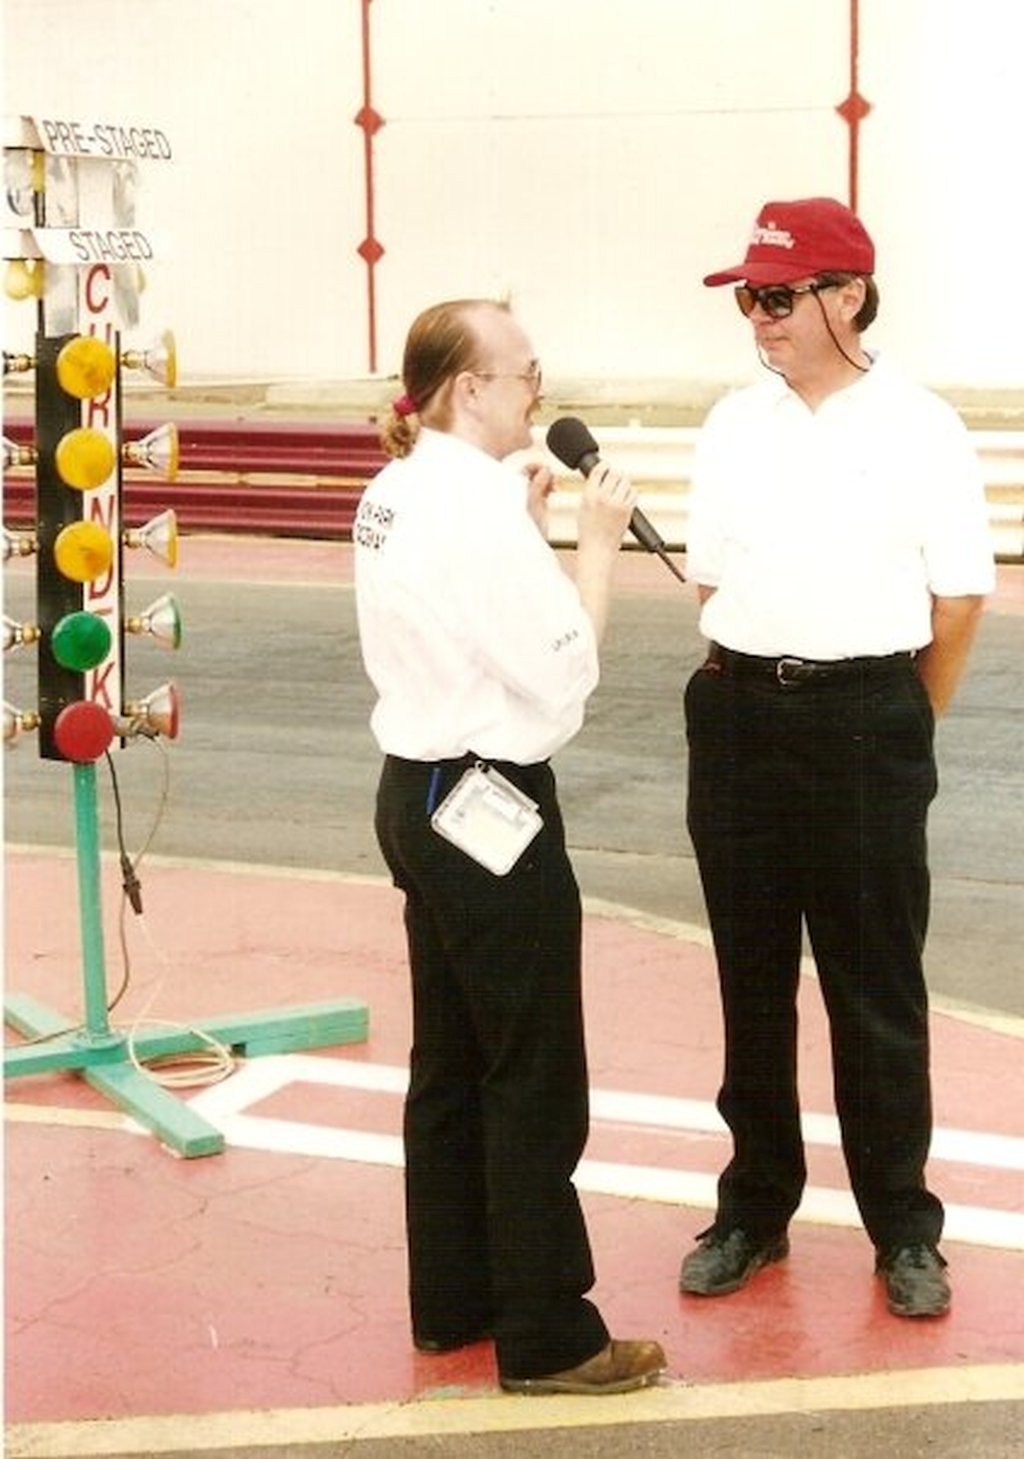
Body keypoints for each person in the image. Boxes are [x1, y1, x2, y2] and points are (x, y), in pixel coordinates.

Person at [680, 198, 995, 1318]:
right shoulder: (732, 424)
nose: (759, 317)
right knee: (750, 979)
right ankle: (753, 1209)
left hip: (867, 718)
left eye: (777, 295)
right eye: (748, 300)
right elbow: (709, 582)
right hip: (738, 713)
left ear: (848, 296)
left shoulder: (922, 427)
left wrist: (902, 722)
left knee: (875, 989)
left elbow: (960, 599)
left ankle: (902, 1225)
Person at [352, 297, 667, 1394]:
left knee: (450, 1059)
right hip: (489, 799)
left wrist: (524, 532)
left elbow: (471, 623)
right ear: (470, 388)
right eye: (526, 371)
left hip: (416, 789)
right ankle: (549, 1332)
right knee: (533, 1067)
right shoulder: (475, 514)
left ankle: (454, 1297)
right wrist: (592, 551)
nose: (540, 389)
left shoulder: (396, 488)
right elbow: (561, 675)